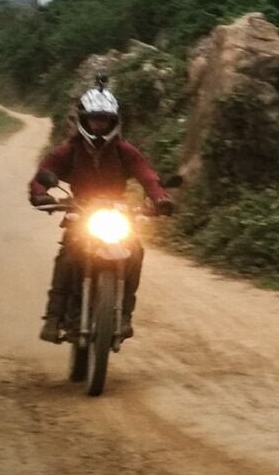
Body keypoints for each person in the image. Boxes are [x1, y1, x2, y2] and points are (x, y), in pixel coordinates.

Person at [29, 82, 173, 343]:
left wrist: (160, 198)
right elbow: (43, 174)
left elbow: (147, 175)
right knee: (68, 256)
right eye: (94, 119)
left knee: (135, 252)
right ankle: (53, 317)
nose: (99, 125)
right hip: (79, 211)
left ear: (113, 121)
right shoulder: (68, 151)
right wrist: (40, 193)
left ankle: (125, 314)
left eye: (104, 120)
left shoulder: (124, 151)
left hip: (117, 211)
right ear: (84, 120)